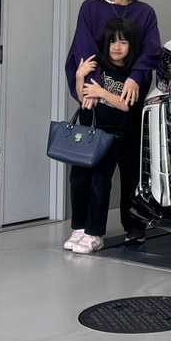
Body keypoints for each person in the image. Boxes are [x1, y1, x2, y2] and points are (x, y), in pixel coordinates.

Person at [63, 0, 162, 246]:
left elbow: (152, 51)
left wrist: (135, 77)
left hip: (129, 104)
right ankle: (86, 229)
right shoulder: (91, 8)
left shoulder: (145, 12)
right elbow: (83, 50)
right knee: (89, 173)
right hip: (98, 105)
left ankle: (134, 225)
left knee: (132, 170)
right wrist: (90, 89)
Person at [63, 18, 140, 253]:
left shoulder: (132, 73)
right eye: (112, 42)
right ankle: (79, 228)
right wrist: (79, 76)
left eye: (123, 42)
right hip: (89, 132)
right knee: (77, 179)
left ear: (131, 45)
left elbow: (125, 105)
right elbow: (83, 97)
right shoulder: (98, 66)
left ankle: (95, 234)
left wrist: (101, 92)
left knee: (100, 182)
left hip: (113, 135)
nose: (117, 47)